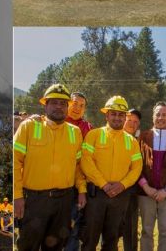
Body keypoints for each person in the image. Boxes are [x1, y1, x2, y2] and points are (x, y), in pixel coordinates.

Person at [13, 84, 86, 251]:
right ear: (45, 105)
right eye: (54, 102)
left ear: (67, 107)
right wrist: (17, 196)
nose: (58, 107)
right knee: (28, 246)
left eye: (62, 103)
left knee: (56, 246)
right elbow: (15, 162)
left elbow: (78, 166)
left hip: (64, 201)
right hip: (34, 200)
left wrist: (82, 190)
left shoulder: (75, 132)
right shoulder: (29, 126)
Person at [80, 96, 143, 251]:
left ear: (125, 117)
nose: (117, 117)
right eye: (113, 114)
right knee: (89, 240)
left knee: (112, 240)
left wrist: (122, 185)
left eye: (121, 114)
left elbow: (137, 167)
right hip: (96, 195)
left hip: (119, 196)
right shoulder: (93, 135)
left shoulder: (132, 141)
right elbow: (86, 162)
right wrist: (104, 184)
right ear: (106, 115)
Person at [137, 102, 166, 251]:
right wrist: (146, 187)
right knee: (146, 231)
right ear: (152, 117)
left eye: (164, 115)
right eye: (158, 114)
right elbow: (137, 165)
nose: (160, 118)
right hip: (145, 193)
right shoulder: (143, 137)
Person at [65, 92, 93, 251]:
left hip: (80, 184)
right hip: (57, 183)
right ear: (67, 103)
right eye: (74, 103)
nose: (77, 108)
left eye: (81, 106)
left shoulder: (88, 128)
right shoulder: (57, 121)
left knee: (74, 226)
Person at [121, 108, 142, 251]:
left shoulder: (139, 142)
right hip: (110, 191)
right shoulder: (111, 137)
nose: (132, 124)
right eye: (129, 120)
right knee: (110, 230)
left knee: (130, 229)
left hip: (132, 193)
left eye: (136, 122)